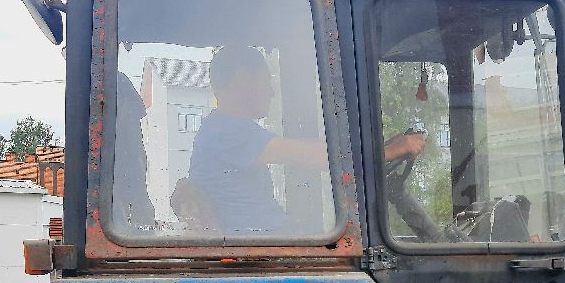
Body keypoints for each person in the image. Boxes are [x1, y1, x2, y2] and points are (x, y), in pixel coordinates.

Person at [179, 46, 425, 234]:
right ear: (243, 78)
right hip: (256, 252)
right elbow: (309, 157)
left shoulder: (225, 130)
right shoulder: (226, 130)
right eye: (267, 80)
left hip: (262, 243)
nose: (272, 91)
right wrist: (388, 152)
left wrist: (385, 148)